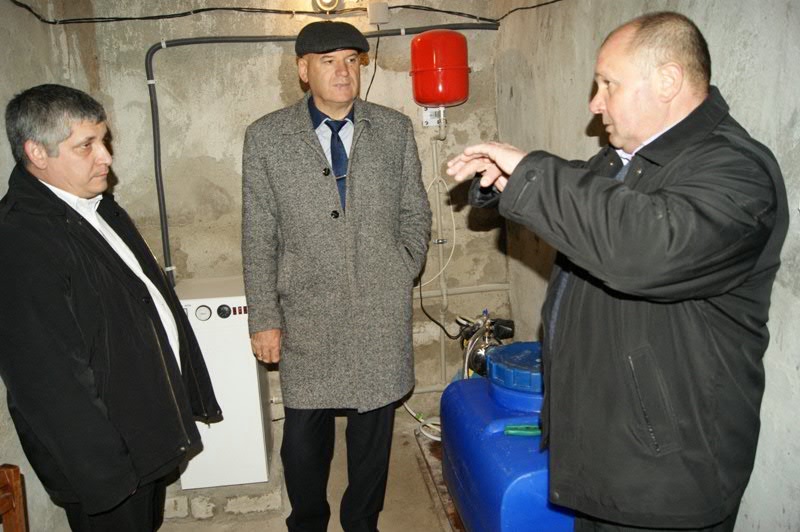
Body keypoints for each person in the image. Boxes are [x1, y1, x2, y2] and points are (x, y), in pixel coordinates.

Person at [447, 11, 788, 532]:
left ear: (668, 81)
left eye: (609, 84)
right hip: (608, 456)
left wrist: (530, 170)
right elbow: (585, 195)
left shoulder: (737, 172)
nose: (595, 102)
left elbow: (642, 248)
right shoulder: (625, 160)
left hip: (666, 476)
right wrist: (506, 181)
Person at [0, 84, 221, 531]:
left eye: (104, 141)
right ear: (37, 153)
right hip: (106, 463)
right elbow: (48, 383)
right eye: (86, 146)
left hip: (143, 437)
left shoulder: (97, 207)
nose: (106, 157)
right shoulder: (19, 240)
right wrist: (111, 477)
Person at [241, 21, 431, 532]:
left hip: (378, 309)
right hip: (307, 313)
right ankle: (308, 522)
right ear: (303, 70)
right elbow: (258, 234)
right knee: (304, 441)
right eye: (328, 61)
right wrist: (264, 317)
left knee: (372, 435)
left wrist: (402, 267)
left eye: (351, 59)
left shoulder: (393, 129)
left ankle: (361, 523)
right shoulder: (267, 137)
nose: (343, 71)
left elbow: (415, 210)